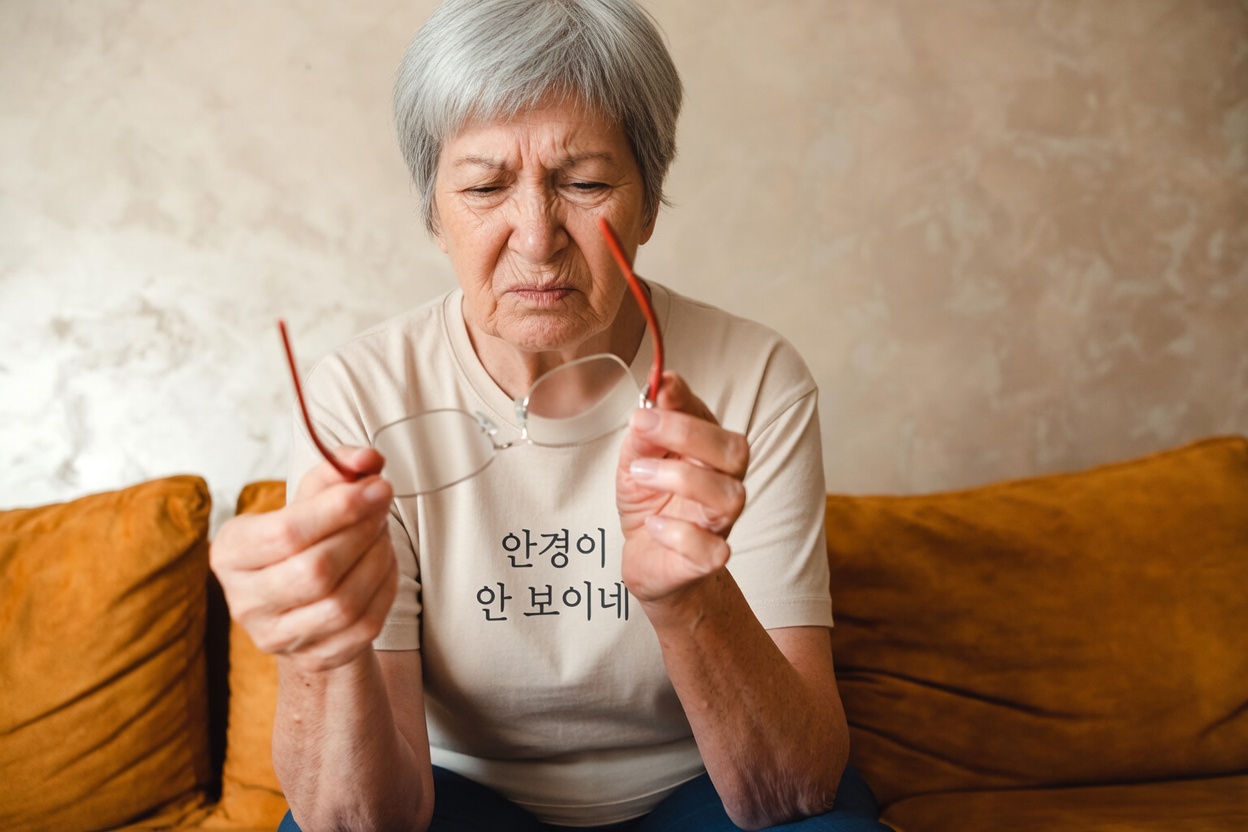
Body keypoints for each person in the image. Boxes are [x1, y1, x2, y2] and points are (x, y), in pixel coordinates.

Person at [209, 1, 892, 829]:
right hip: (459, 798)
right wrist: (327, 650)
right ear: (433, 213)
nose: (537, 238)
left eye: (586, 183)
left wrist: (689, 599)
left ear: (649, 203)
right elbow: (360, 818)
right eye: (484, 187)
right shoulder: (362, 393)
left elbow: (792, 788)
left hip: (700, 790)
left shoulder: (755, 377)